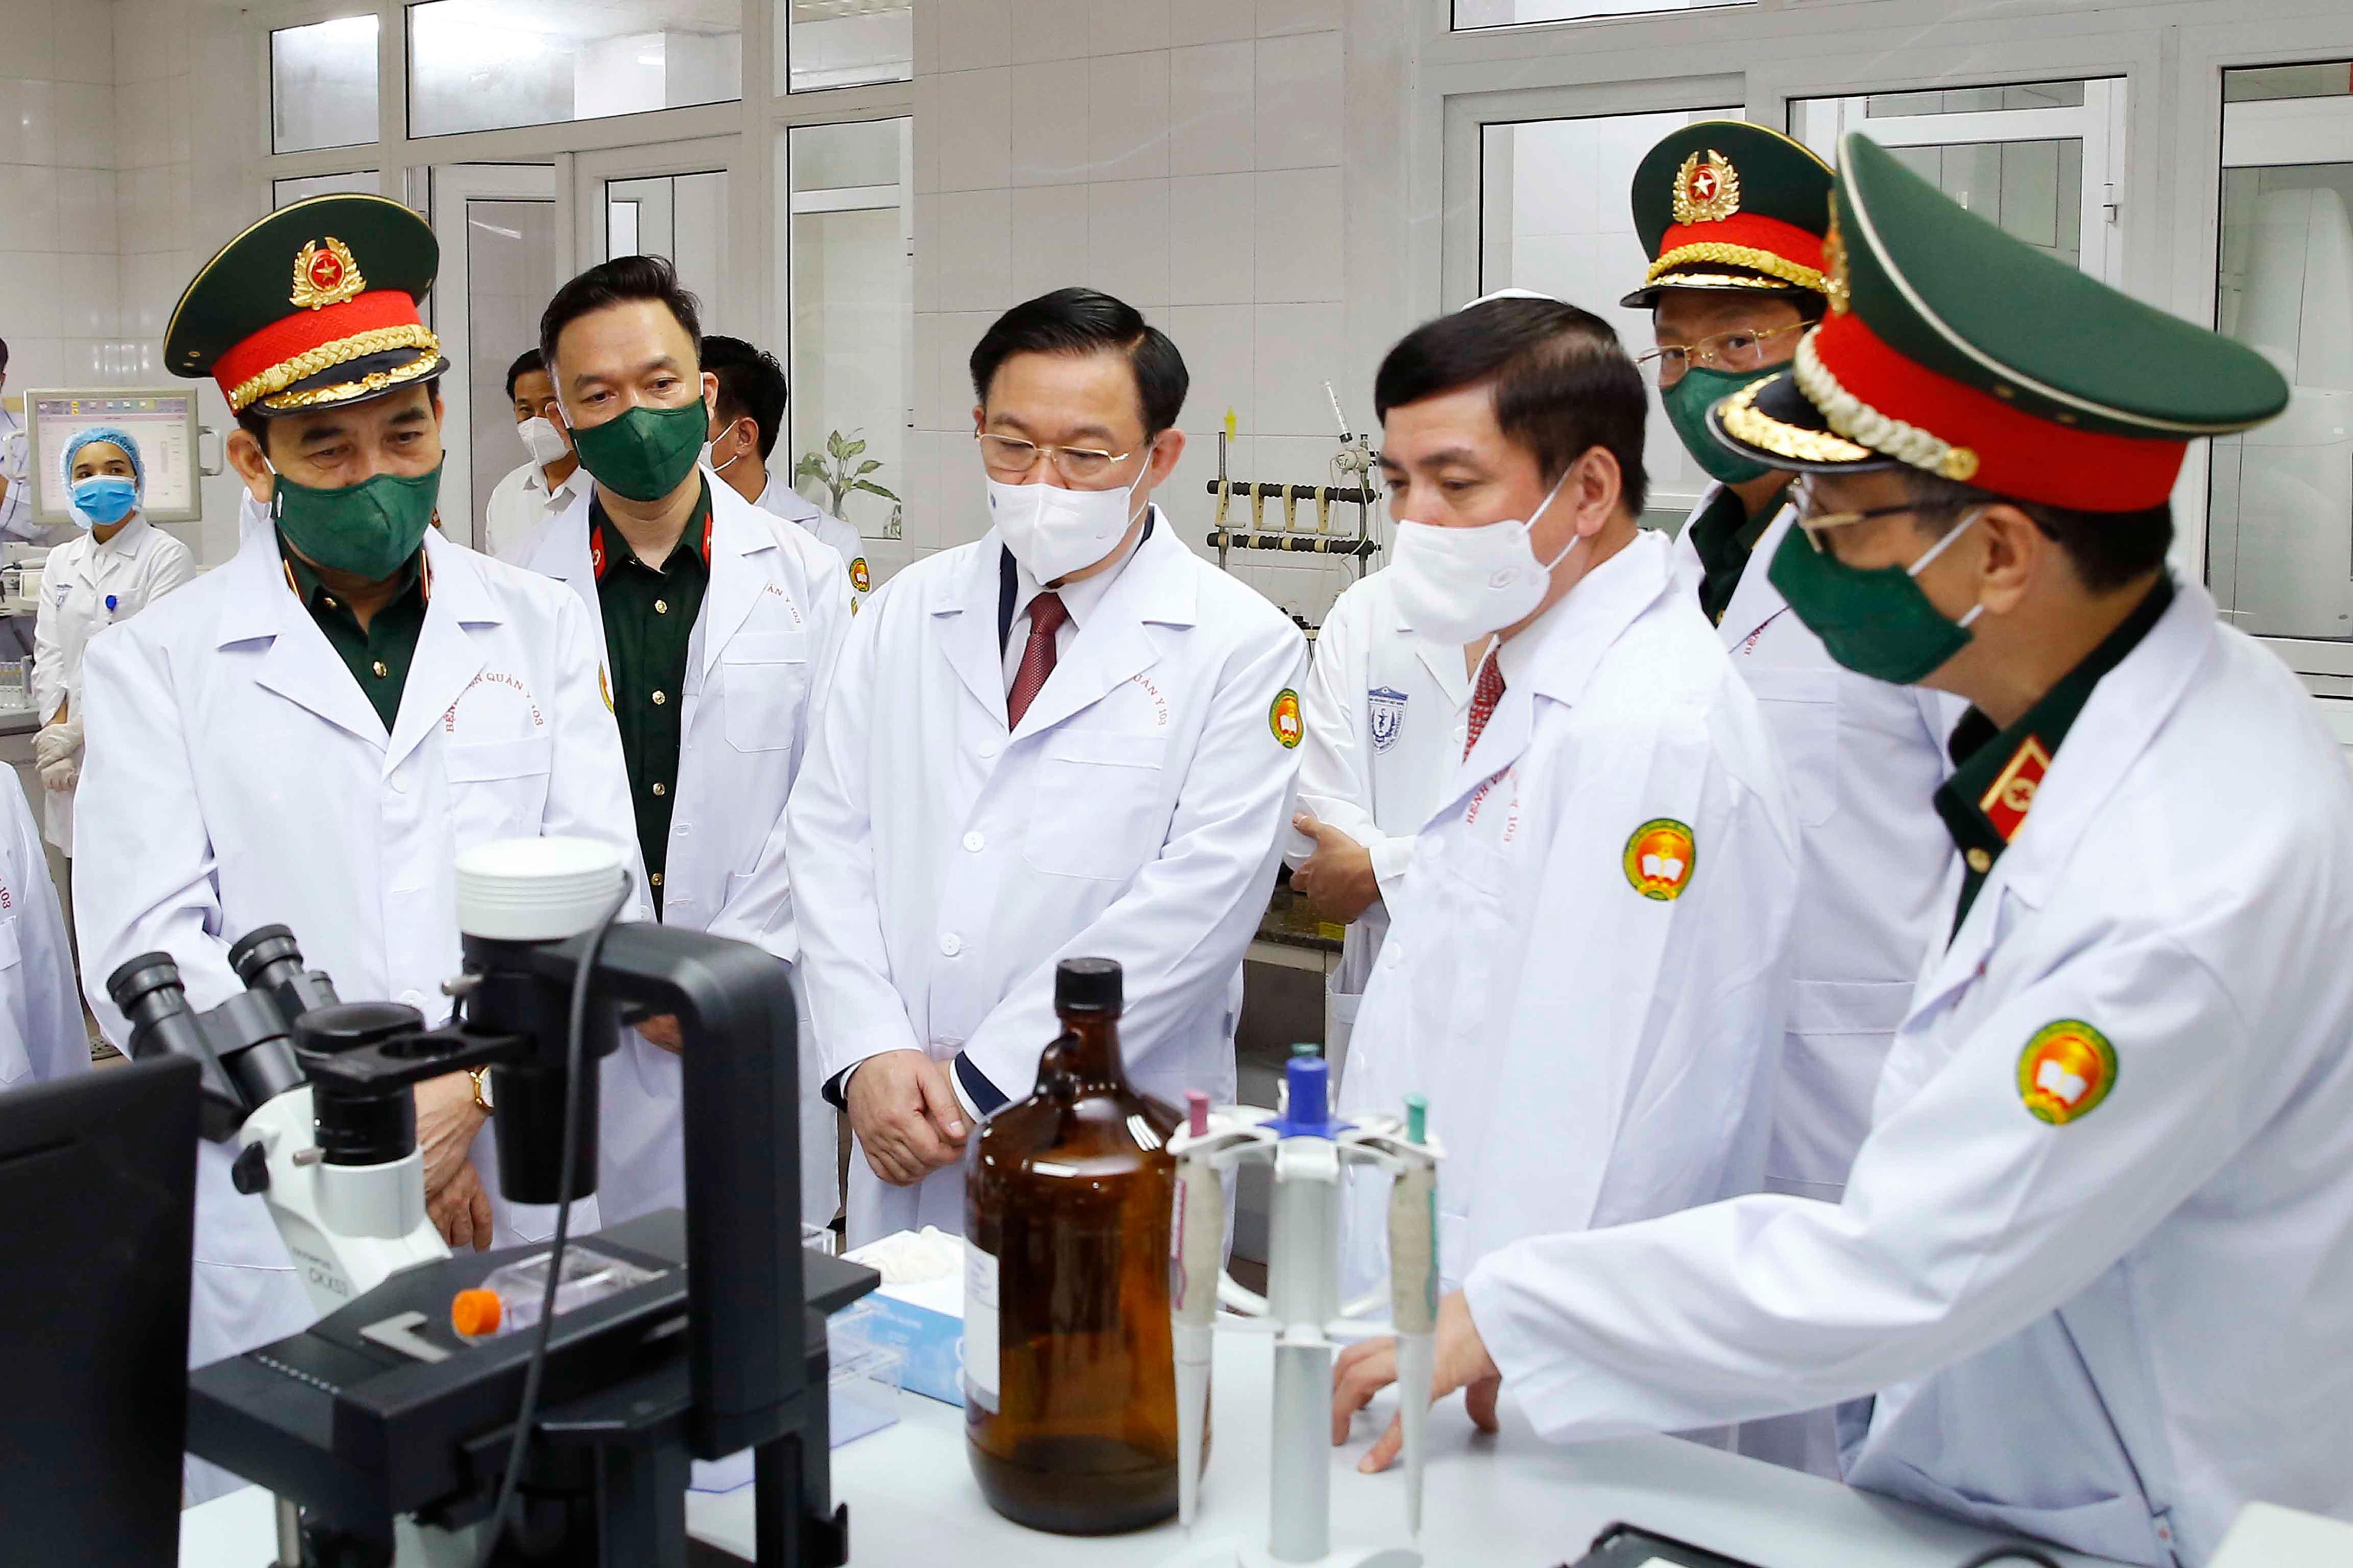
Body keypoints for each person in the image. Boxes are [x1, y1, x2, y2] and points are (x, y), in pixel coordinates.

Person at [1332, 134, 2341, 1568]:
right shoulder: (2104, 715)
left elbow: (1914, 1258)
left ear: (1999, 555)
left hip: (2141, 1495)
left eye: (1840, 519)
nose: (1801, 564)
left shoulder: (2177, 878)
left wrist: (1516, 1312)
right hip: (2013, 1429)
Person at [72, 195, 642, 1500]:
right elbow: (145, 948)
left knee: (527, 1499)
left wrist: (467, 1094)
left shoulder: (540, 625)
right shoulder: (158, 663)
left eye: (405, 433)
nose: (376, 474)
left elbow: (600, 887)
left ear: (443, 421)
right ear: (252, 459)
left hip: (511, 1146)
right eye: (326, 448)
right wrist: (373, 1134)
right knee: (306, 1505)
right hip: (286, 1179)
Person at [782, 287, 1308, 1245]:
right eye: (1013, 445)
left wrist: (984, 1079)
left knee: (1102, 1338)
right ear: (978, 426)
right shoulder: (905, 611)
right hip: (901, 1114)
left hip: (1109, 1124)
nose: (1043, 481)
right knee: (905, 1336)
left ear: (1160, 457)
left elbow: (1202, 904)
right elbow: (826, 836)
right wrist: (867, 1051)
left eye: (1085, 454)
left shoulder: (1241, 645)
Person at [1329, 295, 1797, 1305]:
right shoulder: (1531, 672)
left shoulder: (1648, 728)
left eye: (1456, 483)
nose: (1415, 523)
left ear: (1588, 489)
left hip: (1525, 1320)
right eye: (1399, 483)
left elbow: (1615, 1118)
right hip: (1445, 1274)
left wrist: (1504, 1329)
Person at [1625, 119, 1959, 1474]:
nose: (1700, 377)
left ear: (1827, 343)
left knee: (1864, 1463)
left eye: (1741, 339)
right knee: (1720, 1462)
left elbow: (2007, 836)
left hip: (1867, 1090)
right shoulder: (1672, 571)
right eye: (1675, 349)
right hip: (1703, 1075)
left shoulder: (1904, 546)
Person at [512, 257, 851, 1229]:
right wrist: (627, 972)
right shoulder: (516, 592)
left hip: (755, 996)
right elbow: (512, 818)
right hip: (587, 1010)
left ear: (705, 396)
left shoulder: (809, 577)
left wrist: (716, 972)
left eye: (659, 383)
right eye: (599, 395)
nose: (636, 415)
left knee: (762, 1273)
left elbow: (832, 800)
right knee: (589, 1280)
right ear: (564, 419)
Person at [1286, 570, 1476, 1077]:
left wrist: (1376, 872)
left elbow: (1543, 847)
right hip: (1378, 990)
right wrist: (1411, 873)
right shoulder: (1366, 612)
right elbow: (1308, 826)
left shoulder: (1581, 631)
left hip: (1514, 997)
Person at [31, 426, 194, 943]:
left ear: (137, 479)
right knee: (85, 896)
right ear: (69, 485)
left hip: (137, 749)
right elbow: (50, 654)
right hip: (70, 761)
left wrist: (76, 733)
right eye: (85, 473)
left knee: (142, 895)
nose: (100, 481)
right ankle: (94, 991)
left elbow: (147, 664)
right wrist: (55, 737)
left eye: (115, 469)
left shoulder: (166, 555)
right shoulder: (61, 561)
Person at [699, 333, 869, 612]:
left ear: (743, 436)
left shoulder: (826, 542)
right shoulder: (654, 530)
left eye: (695, 421)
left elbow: (847, 639)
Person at [480, 347, 586, 561]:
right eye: (526, 410)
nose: (538, 420)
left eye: (550, 406)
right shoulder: (506, 495)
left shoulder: (608, 490)